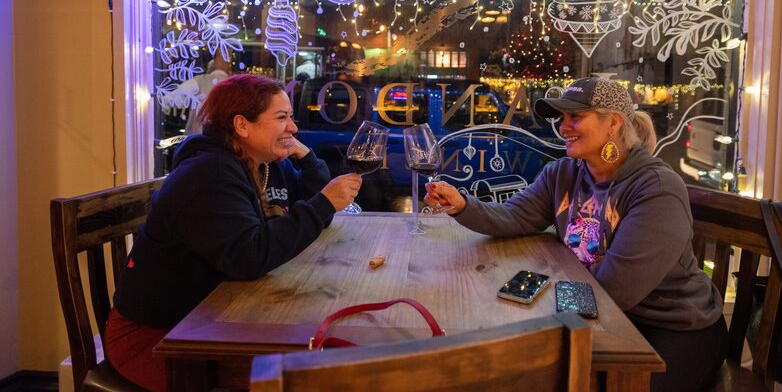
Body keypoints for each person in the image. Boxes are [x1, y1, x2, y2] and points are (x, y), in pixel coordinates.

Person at [425, 77, 727, 392]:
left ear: (613, 123)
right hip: (600, 314)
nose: (563, 127)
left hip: (672, 326)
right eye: (561, 118)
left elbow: (616, 288)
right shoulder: (563, 173)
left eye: (575, 117)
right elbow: (514, 216)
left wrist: (539, 288)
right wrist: (461, 205)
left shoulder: (655, 188)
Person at [104, 74, 361, 391]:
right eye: (281, 118)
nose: (293, 128)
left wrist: (312, 178)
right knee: (312, 376)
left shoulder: (255, 165)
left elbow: (294, 217)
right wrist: (322, 204)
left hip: (207, 320)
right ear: (242, 126)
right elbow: (248, 257)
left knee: (322, 356)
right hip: (156, 337)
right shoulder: (209, 173)